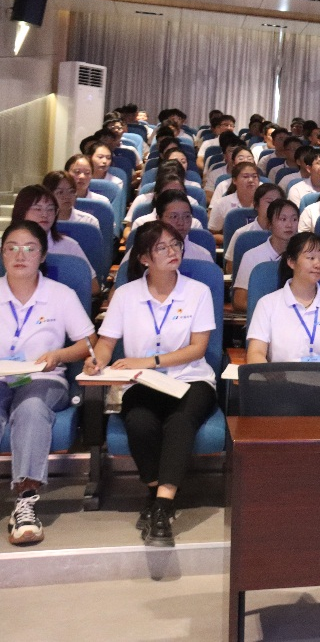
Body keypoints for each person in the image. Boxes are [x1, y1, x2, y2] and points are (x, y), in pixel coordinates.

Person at [88, 221, 217, 548]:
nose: (173, 251)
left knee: (181, 421)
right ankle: (157, 492)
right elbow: (106, 343)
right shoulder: (126, 295)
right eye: (162, 247)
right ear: (144, 257)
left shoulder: (198, 291)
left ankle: (161, 505)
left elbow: (197, 349)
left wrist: (149, 361)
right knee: (139, 421)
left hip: (190, 378)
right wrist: (97, 361)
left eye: (176, 244)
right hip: (141, 382)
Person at [0, 221, 95, 545]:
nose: (20, 255)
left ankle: (25, 502)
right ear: (2, 254)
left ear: (42, 256)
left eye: (30, 248)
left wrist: (59, 354)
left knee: (30, 408)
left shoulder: (60, 295)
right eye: (12, 247)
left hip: (43, 378)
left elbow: (88, 343)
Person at [245, 231, 320, 366]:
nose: (318, 264)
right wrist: (270, 377)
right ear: (291, 262)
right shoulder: (267, 304)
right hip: (279, 377)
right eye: (311, 258)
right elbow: (256, 353)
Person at [11, 185, 96, 292]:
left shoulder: (69, 246)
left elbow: (94, 286)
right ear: (21, 212)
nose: (45, 214)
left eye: (50, 209)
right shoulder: (6, 247)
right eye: (38, 209)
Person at [233, 198, 299, 312]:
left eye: (294, 219)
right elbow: (239, 301)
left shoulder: (304, 256)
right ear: (269, 224)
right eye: (283, 219)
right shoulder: (252, 256)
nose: (289, 225)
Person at [207, 161, 261, 242]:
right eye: (245, 176)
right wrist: (236, 240)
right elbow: (212, 234)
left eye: (254, 176)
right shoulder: (221, 203)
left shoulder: (266, 203)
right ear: (234, 180)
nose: (251, 180)